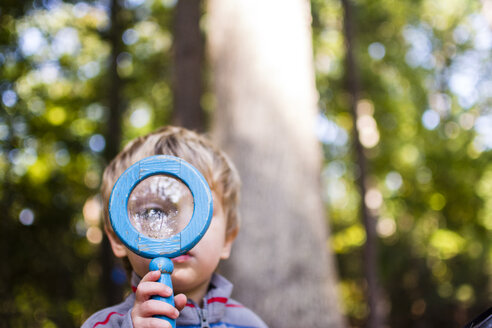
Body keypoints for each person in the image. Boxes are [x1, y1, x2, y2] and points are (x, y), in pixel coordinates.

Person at [82, 126, 267, 328]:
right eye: (154, 211)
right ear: (119, 238)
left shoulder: (250, 324)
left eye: (200, 211)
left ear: (227, 239)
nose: (180, 227)